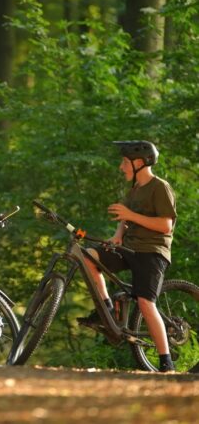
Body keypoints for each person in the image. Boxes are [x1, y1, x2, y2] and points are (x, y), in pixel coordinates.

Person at [78, 140, 177, 372]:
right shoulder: (134, 189)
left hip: (152, 251)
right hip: (130, 248)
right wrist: (118, 235)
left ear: (139, 162)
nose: (121, 167)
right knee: (89, 256)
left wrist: (130, 215)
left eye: (124, 162)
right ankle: (107, 310)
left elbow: (165, 225)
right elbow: (125, 218)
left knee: (145, 302)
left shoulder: (160, 187)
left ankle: (166, 361)